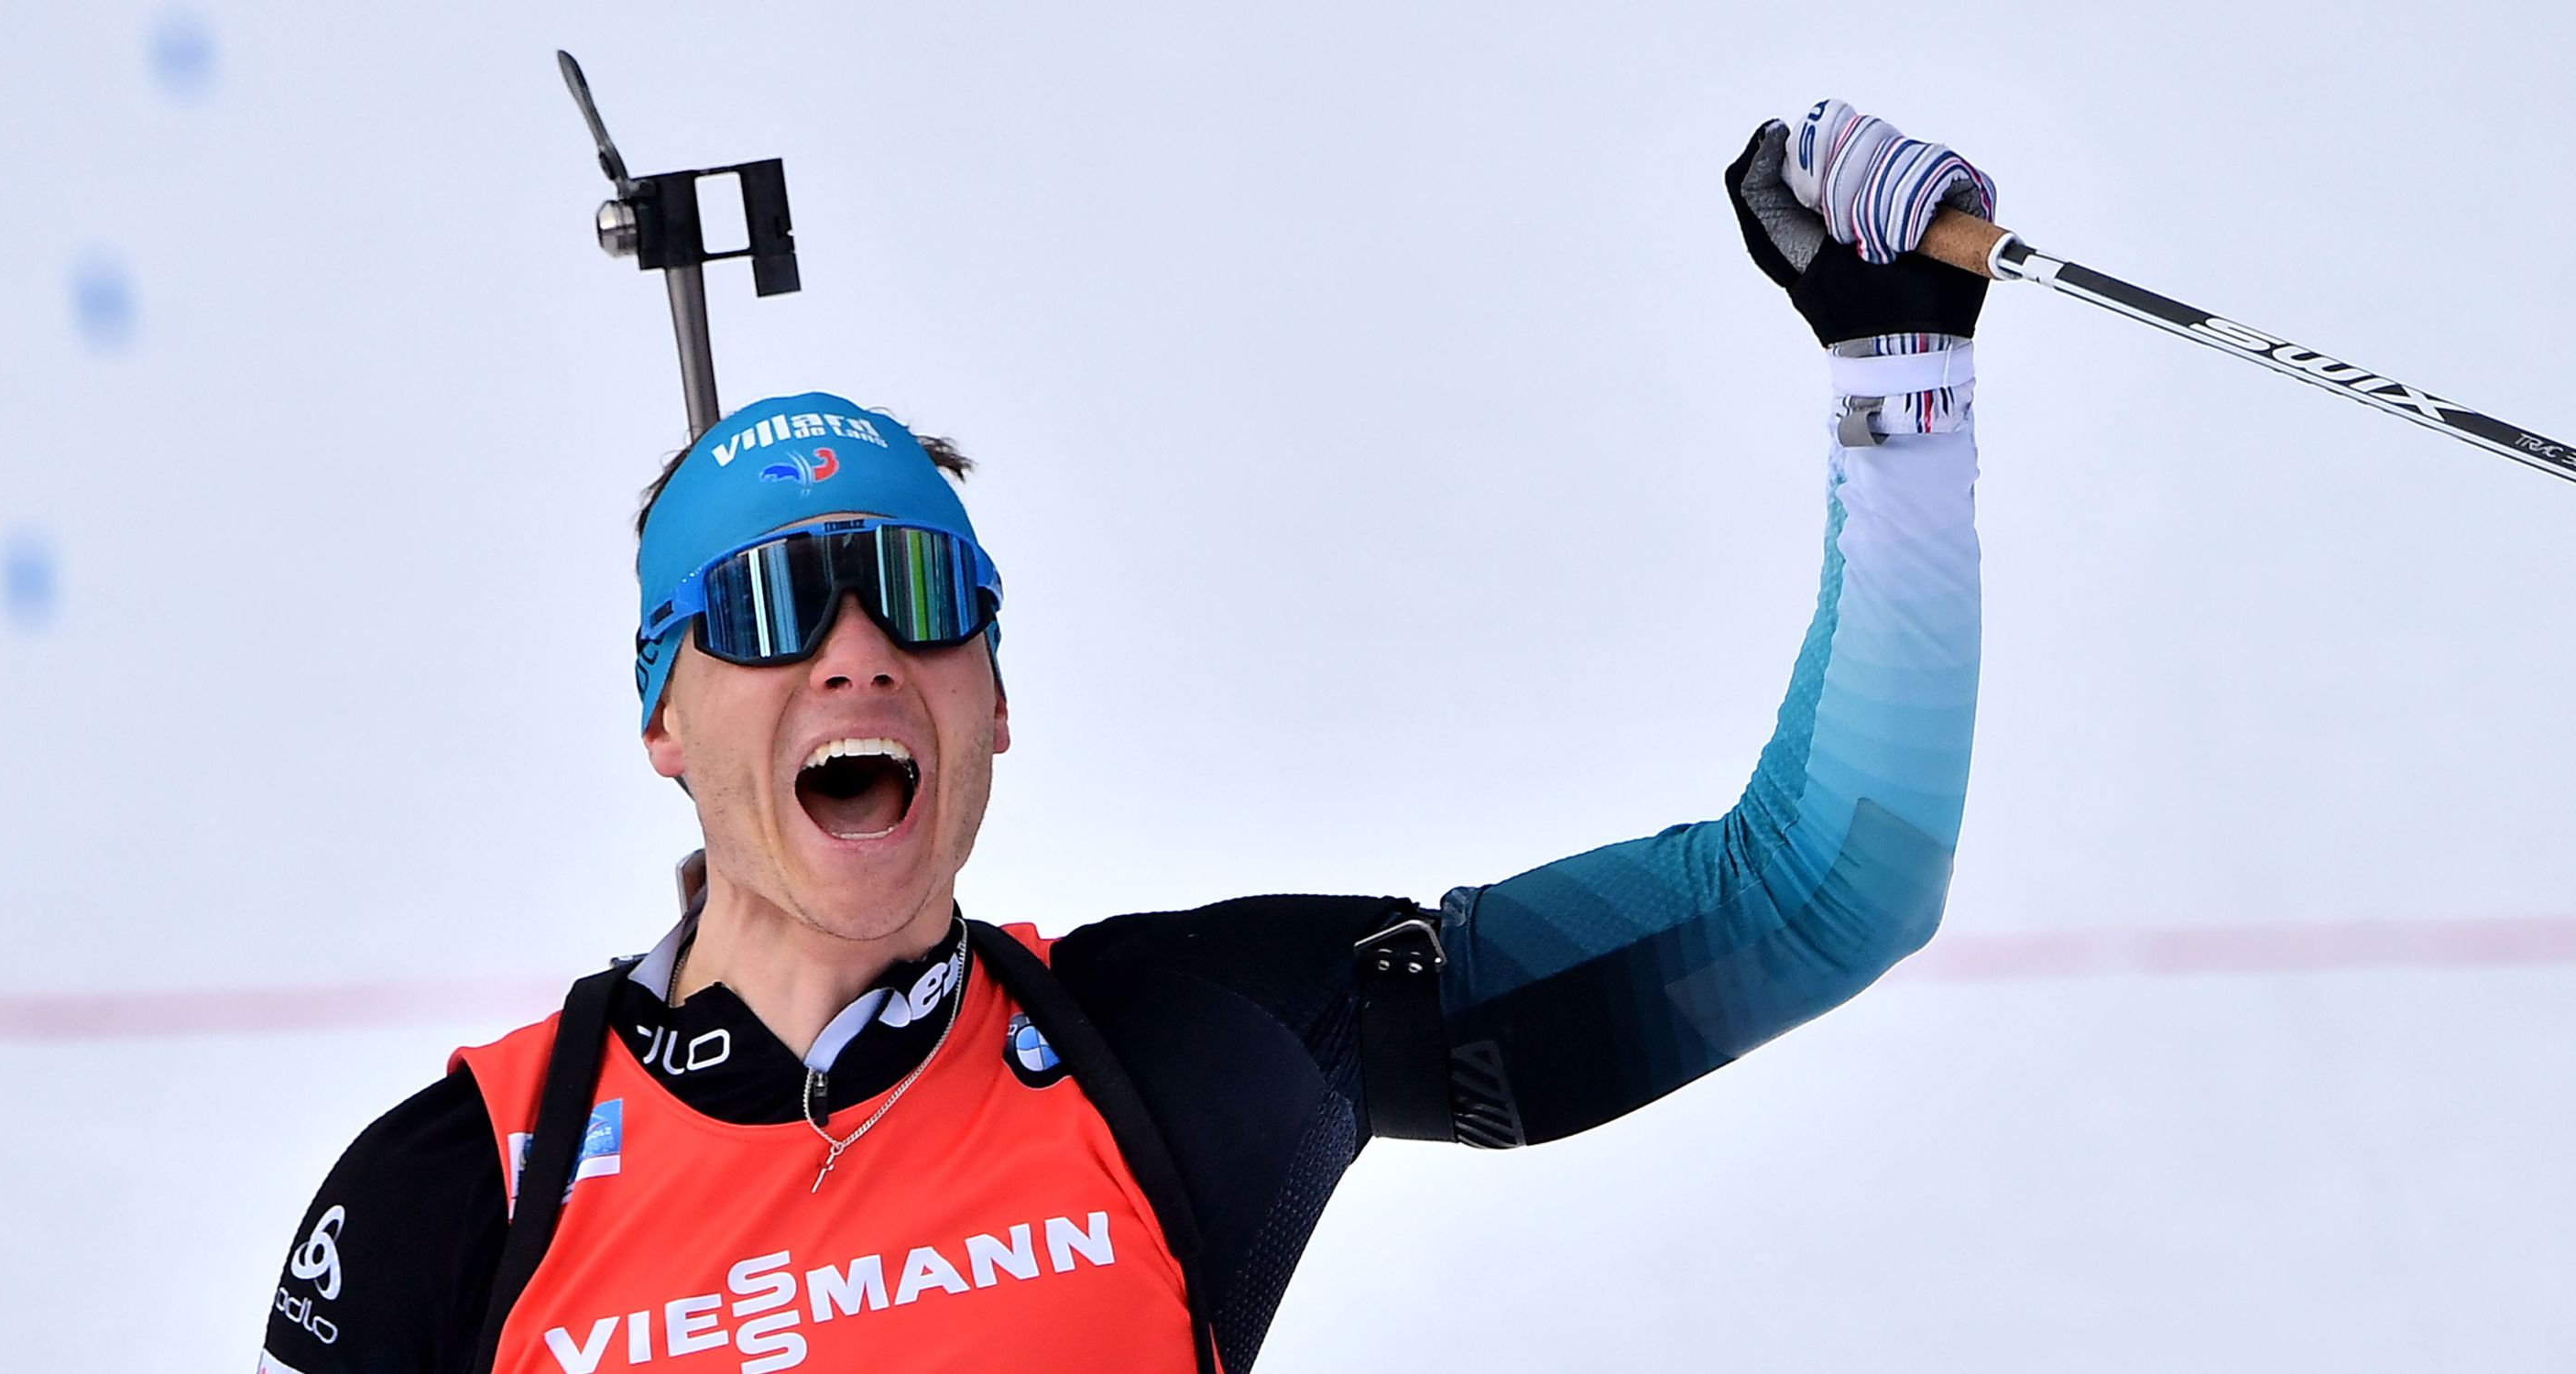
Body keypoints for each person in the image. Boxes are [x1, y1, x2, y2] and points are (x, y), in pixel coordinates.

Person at [259, 100, 1993, 1374]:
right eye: (773, 608)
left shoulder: (1189, 1053)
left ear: (996, 699)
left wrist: (1897, 387)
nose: (858, 654)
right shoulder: (455, 1198)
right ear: (661, 714)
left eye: (919, 595)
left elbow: (1821, 894)